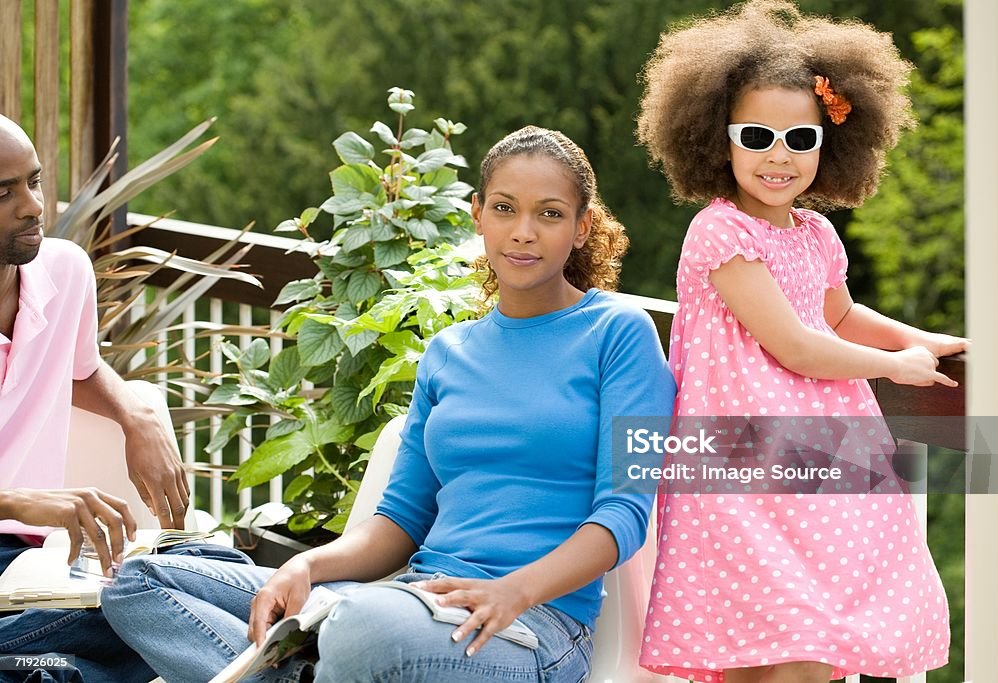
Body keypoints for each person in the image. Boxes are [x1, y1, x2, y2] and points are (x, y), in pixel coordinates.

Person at [100, 125, 677, 682]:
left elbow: (622, 516)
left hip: (533, 624)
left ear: (582, 228)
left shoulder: (618, 332)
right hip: (408, 601)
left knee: (359, 627)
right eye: (505, 208)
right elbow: (396, 525)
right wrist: (307, 564)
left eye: (549, 213)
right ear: (478, 215)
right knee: (140, 579)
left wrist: (513, 590)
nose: (523, 231)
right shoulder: (449, 352)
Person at [633, 2, 968, 682]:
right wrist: (896, 365)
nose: (778, 155)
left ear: (830, 143)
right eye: (755, 136)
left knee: (821, 638)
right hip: (741, 470)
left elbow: (839, 317)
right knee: (780, 644)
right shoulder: (721, 233)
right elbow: (798, 346)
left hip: (818, 462)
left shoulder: (814, 234)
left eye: (799, 138)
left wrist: (926, 339)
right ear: (716, 140)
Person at [0, 113, 194, 682]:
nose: (33, 206)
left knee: (189, 576)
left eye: (34, 181)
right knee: (139, 613)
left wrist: (135, 412)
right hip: (18, 543)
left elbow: (79, 368)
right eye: (2, 192)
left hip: (26, 563)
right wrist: (20, 503)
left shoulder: (65, 272)